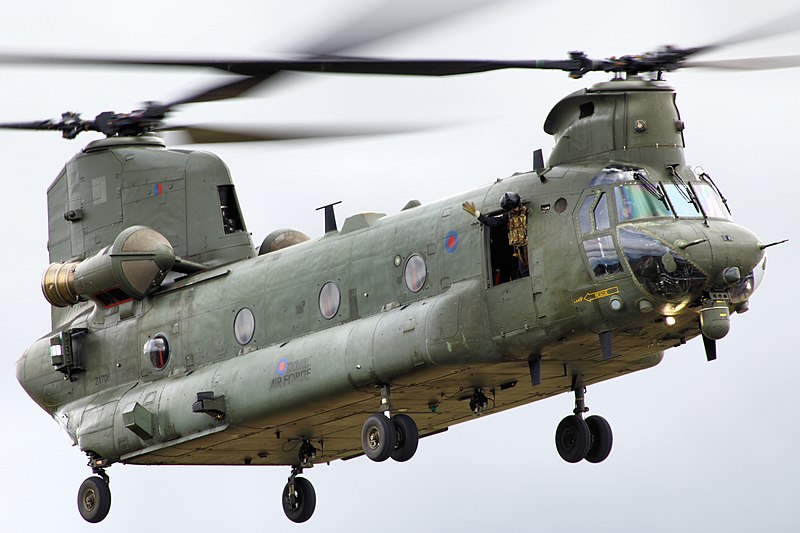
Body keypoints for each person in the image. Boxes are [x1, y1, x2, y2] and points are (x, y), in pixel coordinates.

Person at [463, 192, 529, 281]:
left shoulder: (526, 213)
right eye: (511, 209)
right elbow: (493, 222)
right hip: (519, 250)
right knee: (520, 272)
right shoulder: (508, 216)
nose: (513, 211)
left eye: (514, 208)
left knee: (524, 271)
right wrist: (477, 214)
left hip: (527, 247)